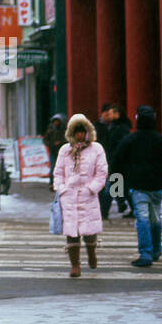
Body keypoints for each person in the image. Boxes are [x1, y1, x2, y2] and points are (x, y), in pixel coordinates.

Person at [110, 105, 162, 268]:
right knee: (155, 218)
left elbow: (116, 165)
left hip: (137, 186)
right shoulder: (161, 140)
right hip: (156, 185)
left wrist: (118, 193)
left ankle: (145, 253)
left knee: (142, 218)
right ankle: (156, 250)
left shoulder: (130, 140)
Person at [53, 113, 108, 277]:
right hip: (69, 197)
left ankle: (91, 252)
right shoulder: (65, 150)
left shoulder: (96, 149)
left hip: (88, 195)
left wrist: (92, 188)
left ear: (87, 131)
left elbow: (102, 172)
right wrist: (61, 189)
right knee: (72, 232)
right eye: (76, 131)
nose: (79, 135)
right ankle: (75, 265)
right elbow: (58, 172)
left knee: (89, 231)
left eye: (82, 131)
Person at [96, 102, 133, 219]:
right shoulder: (117, 127)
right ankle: (133, 209)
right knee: (123, 188)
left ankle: (103, 213)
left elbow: (120, 146)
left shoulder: (121, 128)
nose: (109, 115)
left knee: (110, 189)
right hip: (118, 162)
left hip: (118, 163)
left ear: (117, 114)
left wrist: (114, 160)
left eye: (111, 113)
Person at [43, 115, 66, 189]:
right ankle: (51, 182)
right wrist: (52, 144)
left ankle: (61, 183)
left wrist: (60, 143)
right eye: (55, 121)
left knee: (62, 167)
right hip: (53, 151)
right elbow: (45, 140)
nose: (56, 122)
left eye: (58, 121)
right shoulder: (50, 130)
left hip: (62, 151)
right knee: (53, 167)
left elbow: (66, 139)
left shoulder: (63, 129)